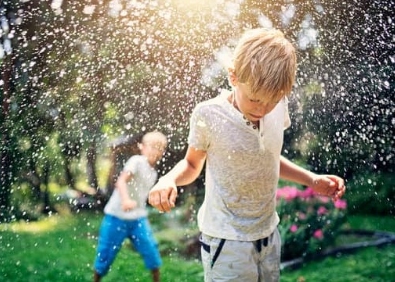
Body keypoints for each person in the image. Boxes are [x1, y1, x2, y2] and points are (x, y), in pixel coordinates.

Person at [147, 28, 346, 282]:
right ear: (233, 77)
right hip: (226, 238)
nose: (262, 109)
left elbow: (268, 157)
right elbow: (191, 163)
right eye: (254, 99)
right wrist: (168, 179)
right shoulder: (209, 115)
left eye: (272, 101)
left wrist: (312, 179)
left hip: (268, 232)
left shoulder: (277, 105)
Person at [93, 131, 168, 282]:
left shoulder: (153, 173)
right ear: (142, 147)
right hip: (116, 216)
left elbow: (142, 195)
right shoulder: (137, 161)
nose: (155, 150)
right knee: (105, 255)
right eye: (152, 146)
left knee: (151, 252)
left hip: (138, 219)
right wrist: (126, 200)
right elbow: (121, 181)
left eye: (159, 147)